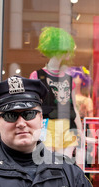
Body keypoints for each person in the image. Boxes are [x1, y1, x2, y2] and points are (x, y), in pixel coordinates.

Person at [30, 27, 83, 162]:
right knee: (48, 166)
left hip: (67, 127)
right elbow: (33, 107)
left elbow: (74, 107)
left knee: (66, 167)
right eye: (67, 49)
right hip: (47, 126)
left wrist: (80, 132)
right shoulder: (37, 76)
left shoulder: (69, 79)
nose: (70, 53)